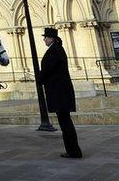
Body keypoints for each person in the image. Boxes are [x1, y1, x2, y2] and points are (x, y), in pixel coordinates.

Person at [39, 27, 82, 159]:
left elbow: (48, 69)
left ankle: (74, 151)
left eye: (45, 37)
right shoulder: (57, 49)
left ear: (51, 38)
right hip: (61, 91)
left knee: (65, 122)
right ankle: (73, 150)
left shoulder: (54, 50)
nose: (44, 39)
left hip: (59, 92)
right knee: (65, 121)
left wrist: (39, 78)